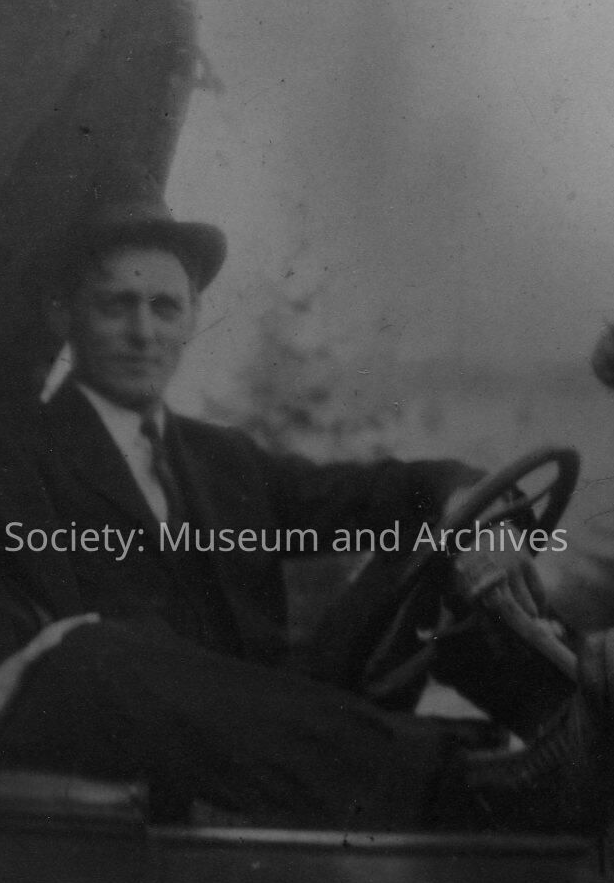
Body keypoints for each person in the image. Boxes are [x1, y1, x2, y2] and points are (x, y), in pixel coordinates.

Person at [0, 138, 520, 827]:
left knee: (424, 558)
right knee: (103, 653)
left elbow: (351, 503)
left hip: (63, 722)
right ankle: (472, 785)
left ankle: (538, 734)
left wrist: (458, 503)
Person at [33, 187, 483, 671]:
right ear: (62, 314)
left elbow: (377, 493)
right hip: (133, 712)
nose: (143, 333)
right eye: (116, 306)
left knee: (442, 550)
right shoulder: (16, 459)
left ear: (193, 318)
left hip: (274, 710)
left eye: (165, 308)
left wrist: (473, 508)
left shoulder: (225, 458)